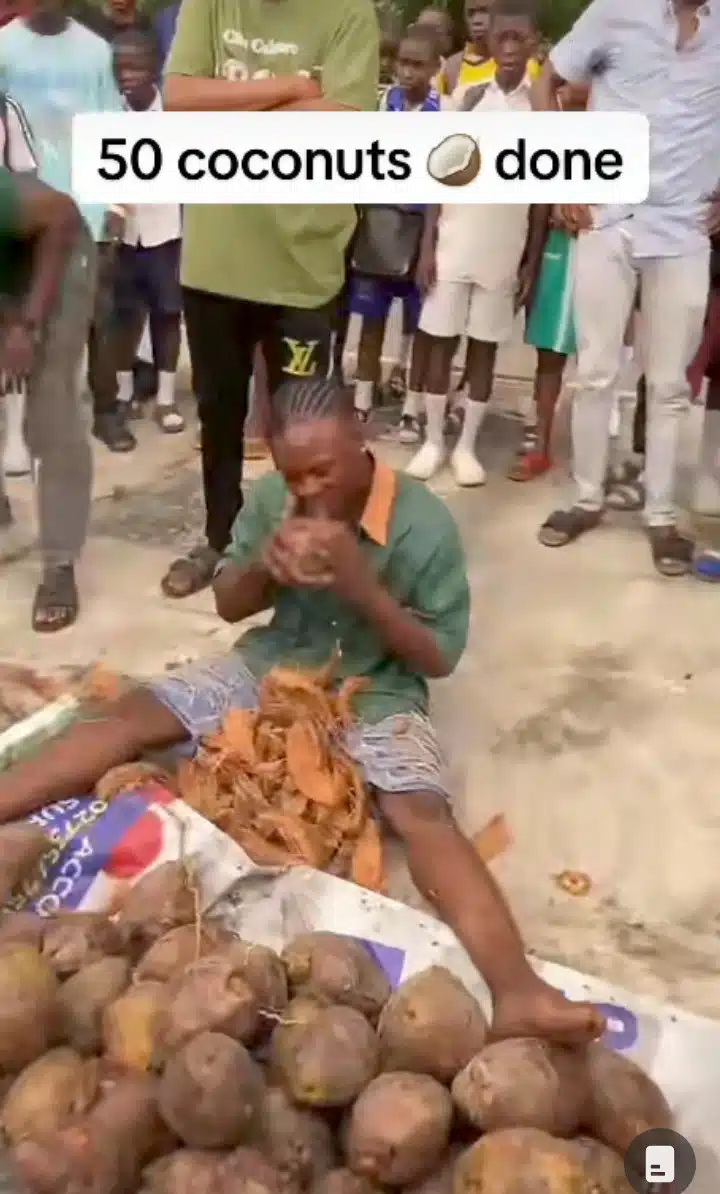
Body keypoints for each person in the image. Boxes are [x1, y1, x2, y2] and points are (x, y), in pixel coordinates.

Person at [0, 374, 605, 1047]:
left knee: (421, 813)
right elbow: (230, 604)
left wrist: (359, 585)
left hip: (380, 687)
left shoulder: (423, 523)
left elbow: (437, 656)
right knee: (128, 719)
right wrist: (264, 565)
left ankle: (519, 989)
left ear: (362, 436)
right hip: (272, 663)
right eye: (294, 477)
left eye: (323, 470)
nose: (308, 490)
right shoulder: (271, 499)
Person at [159, 0, 378, 600]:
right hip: (216, 256)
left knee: (305, 424)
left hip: (303, 261)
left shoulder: (349, 15)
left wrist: (227, 107)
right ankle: (221, 539)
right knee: (220, 415)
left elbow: (342, 124)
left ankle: (304, 546)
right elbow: (177, 98)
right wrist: (294, 88)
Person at [535, 0, 720, 578]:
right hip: (608, 219)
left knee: (669, 386)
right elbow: (549, 82)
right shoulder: (616, 10)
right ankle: (588, 498)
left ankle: (661, 515)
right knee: (594, 370)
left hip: (683, 228)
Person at [406, 0, 546, 487]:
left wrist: (533, 260)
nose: (507, 47)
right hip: (453, 243)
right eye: (500, 38)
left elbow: (543, 196)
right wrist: (427, 247)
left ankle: (466, 446)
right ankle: (432, 440)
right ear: (488, 41)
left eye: (518, 39)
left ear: (534, 44)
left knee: (484, 348)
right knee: (439, 343)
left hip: (504, 248)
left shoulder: (540, 109)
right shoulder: (465, 98)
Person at [0, 0, 129, 454]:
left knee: (99, 316)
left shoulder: (95, 50)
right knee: (19, 321)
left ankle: (108, 413)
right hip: (24, 212)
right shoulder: (4, 48)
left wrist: (116, 203)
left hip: (87, 206)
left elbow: (114, 127)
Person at [0, 167, 95, 631]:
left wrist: (26, 325)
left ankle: (59, 566)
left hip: (57, 253)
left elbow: (60, 218)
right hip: (9, 264)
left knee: (50, 413)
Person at [351, 24, 447, 427]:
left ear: (434, 68)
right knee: (371, 321)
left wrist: (428, 246)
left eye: (416, 64)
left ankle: (411, 406)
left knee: (418, 326)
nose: (406, 71)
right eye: (402, 62)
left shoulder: (442, 112)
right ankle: (361, 400)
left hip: (417, 226)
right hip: (377, 223)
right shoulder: (380, 104)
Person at [508, 82, 589, 483]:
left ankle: (597, 457)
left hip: (604, 247)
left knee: (600, 360)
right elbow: (539, 201)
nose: (573, 87)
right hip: (559, 251)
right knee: (549, 353)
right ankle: (540, 443)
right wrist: (532, 261)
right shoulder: (551, 128)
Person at [111, 29, 184, 434]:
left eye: (136, 66)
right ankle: (124, 394)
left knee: (167, 313)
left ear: (155, 68)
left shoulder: (174, 113)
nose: (127, 75)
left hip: (166, 228)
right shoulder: (110, 111)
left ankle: (168, 397)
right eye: (120, 67)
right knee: (124, 314)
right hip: (124, 231)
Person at [438, 0, 539, 98]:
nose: (477, 20)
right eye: (471, 13)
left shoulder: (527, 65)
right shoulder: (452, 67)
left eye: (484, 11)